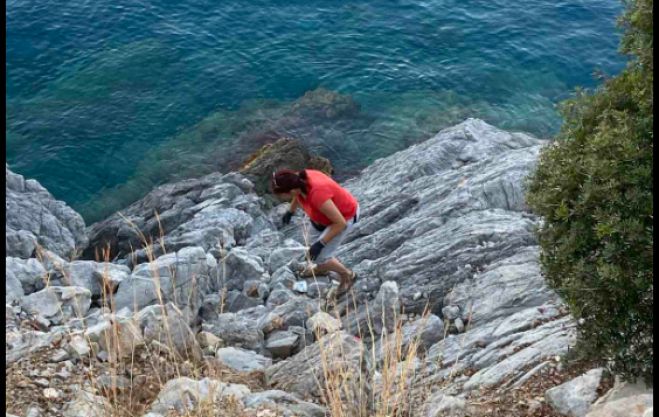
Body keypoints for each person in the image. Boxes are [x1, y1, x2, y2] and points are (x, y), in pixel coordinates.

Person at [271, 168, 359, 295]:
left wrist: (321, 243)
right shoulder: (299, 179)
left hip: (344, 217)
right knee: (314, 252)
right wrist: (291, 211)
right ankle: (322, 268)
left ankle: (347, 275)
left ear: (292, 190)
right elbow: (297, 194)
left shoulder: (317, 194)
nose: (280, 198)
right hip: (321, 217)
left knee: (321, 255)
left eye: (282, 195)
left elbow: (340, 223)